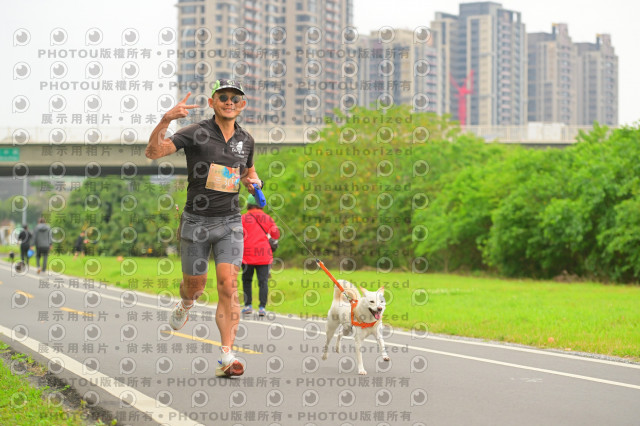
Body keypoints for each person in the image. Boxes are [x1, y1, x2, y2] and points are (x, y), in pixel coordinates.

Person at [145, 79, 262, 377]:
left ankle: (227, 356)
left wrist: (253, 182)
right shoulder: (196, 131)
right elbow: (153, 152)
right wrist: (165, 120)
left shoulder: (246, 140)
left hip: (229, 222)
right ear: (212, 102)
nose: (229, 102)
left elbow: (248, 171)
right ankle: (185, 303)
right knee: (195, 288)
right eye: (223, 97)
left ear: (242, 105)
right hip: (196, 222)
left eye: (235, 98)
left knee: (228, 286)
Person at [241, 194, 280, 317]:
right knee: (263, 282)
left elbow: (236, 235)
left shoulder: (243, 218)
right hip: (264, 256)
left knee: (247, 280)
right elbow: (276, 235)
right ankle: (262, 308)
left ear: (248, 204)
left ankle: (248, 306)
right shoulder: (267, 218)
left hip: (246, 255)